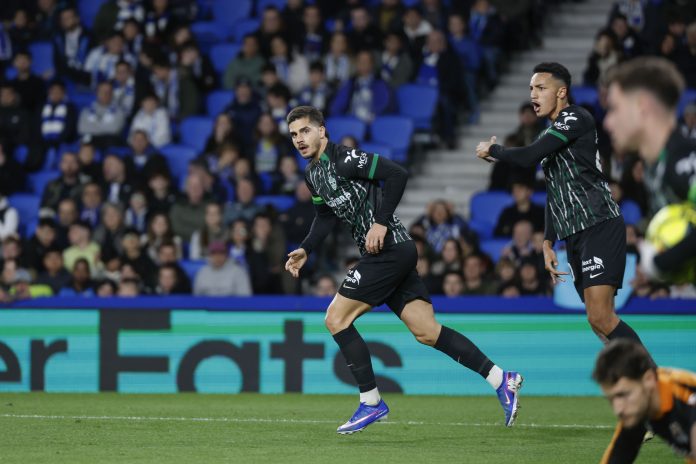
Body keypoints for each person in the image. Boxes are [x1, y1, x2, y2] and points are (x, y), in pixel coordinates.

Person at [284, 106, 522, 434]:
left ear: (322, 131)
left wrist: (380, 222)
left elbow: (397, 173)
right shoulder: (313, 175)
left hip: (389, 250)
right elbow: (324, 217)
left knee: (335, 318)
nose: (299, 139)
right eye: (294, 134)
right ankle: (501, 379)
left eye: (305, 131)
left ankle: (371, 402)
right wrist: (306, 248)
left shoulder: (346, 159)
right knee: (427, 331)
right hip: (391, 253)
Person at [476, 62, 646, 351]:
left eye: (541, 88)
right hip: (575, 234)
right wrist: (547, 241)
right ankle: (631, 374)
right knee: (596, 321)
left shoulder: (576, 117)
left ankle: (651, 375)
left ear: (561, 92)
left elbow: (528, 156)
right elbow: (555, 192)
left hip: (598, 223)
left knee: (602, 316)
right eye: (531, 88)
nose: (533, 95)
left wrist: (494, 150)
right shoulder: (548, 136)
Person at [603, 57, 696, 281]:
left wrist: (659, 263)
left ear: (642, 106)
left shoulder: (683, 160)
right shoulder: (656, 165)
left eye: (614, 108)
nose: (607, 122)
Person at [593, 339, 696, 462]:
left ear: (649, 379)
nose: (618, 409)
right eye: (611, 399)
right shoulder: (639, 408)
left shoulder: (686, 400)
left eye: (623, 394)